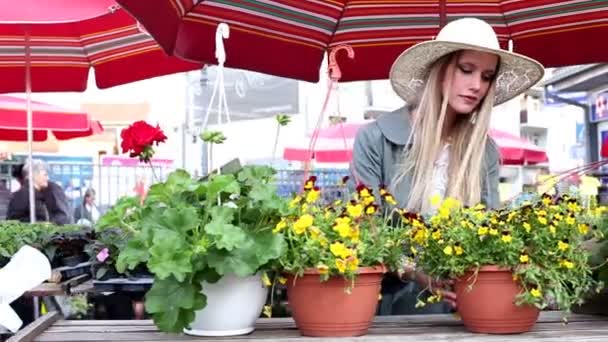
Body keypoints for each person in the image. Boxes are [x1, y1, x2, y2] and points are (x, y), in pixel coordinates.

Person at [350, 18, 544, 315]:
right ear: (440, 70)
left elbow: (491, 232)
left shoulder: (484, 151)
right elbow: (363, 232)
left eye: (487, 76)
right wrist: (416, 272)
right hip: (389, 309)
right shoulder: (376, 139)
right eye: (466, 69)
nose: (477, 85)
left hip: (466, 305)